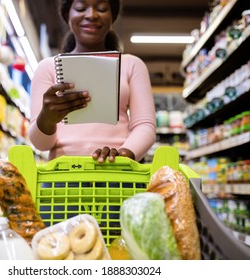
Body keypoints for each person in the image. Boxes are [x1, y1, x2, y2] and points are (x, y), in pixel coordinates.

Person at [29, 0, 156, 164]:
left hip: (117, 171)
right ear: (67, 14)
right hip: (62, 176)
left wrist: (124, 154)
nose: (91, 15)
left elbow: (145, 126)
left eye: (102, 8)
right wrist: (46, 118)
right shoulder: (48, 67)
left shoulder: (132, 65)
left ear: (113, 16)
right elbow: (41, 144)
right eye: (81, 8)